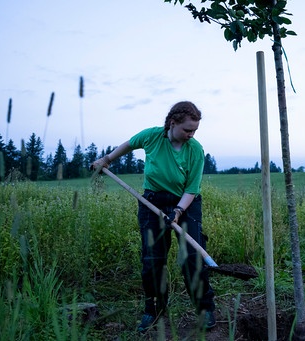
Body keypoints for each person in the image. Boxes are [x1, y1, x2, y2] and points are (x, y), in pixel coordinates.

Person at [91, 101, 216, 334]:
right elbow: (129, 144)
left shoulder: (195, 150)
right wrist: (107, 160)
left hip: (186, 204)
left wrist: (177, 212)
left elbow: (192, 188)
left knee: (191, 256)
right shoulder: (152, 137)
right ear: (172, 123)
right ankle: (154, 310)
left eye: (195, 130)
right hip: (152, 203)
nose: (191, 134)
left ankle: (204, 308)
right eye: (187, 129)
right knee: (152, 260)